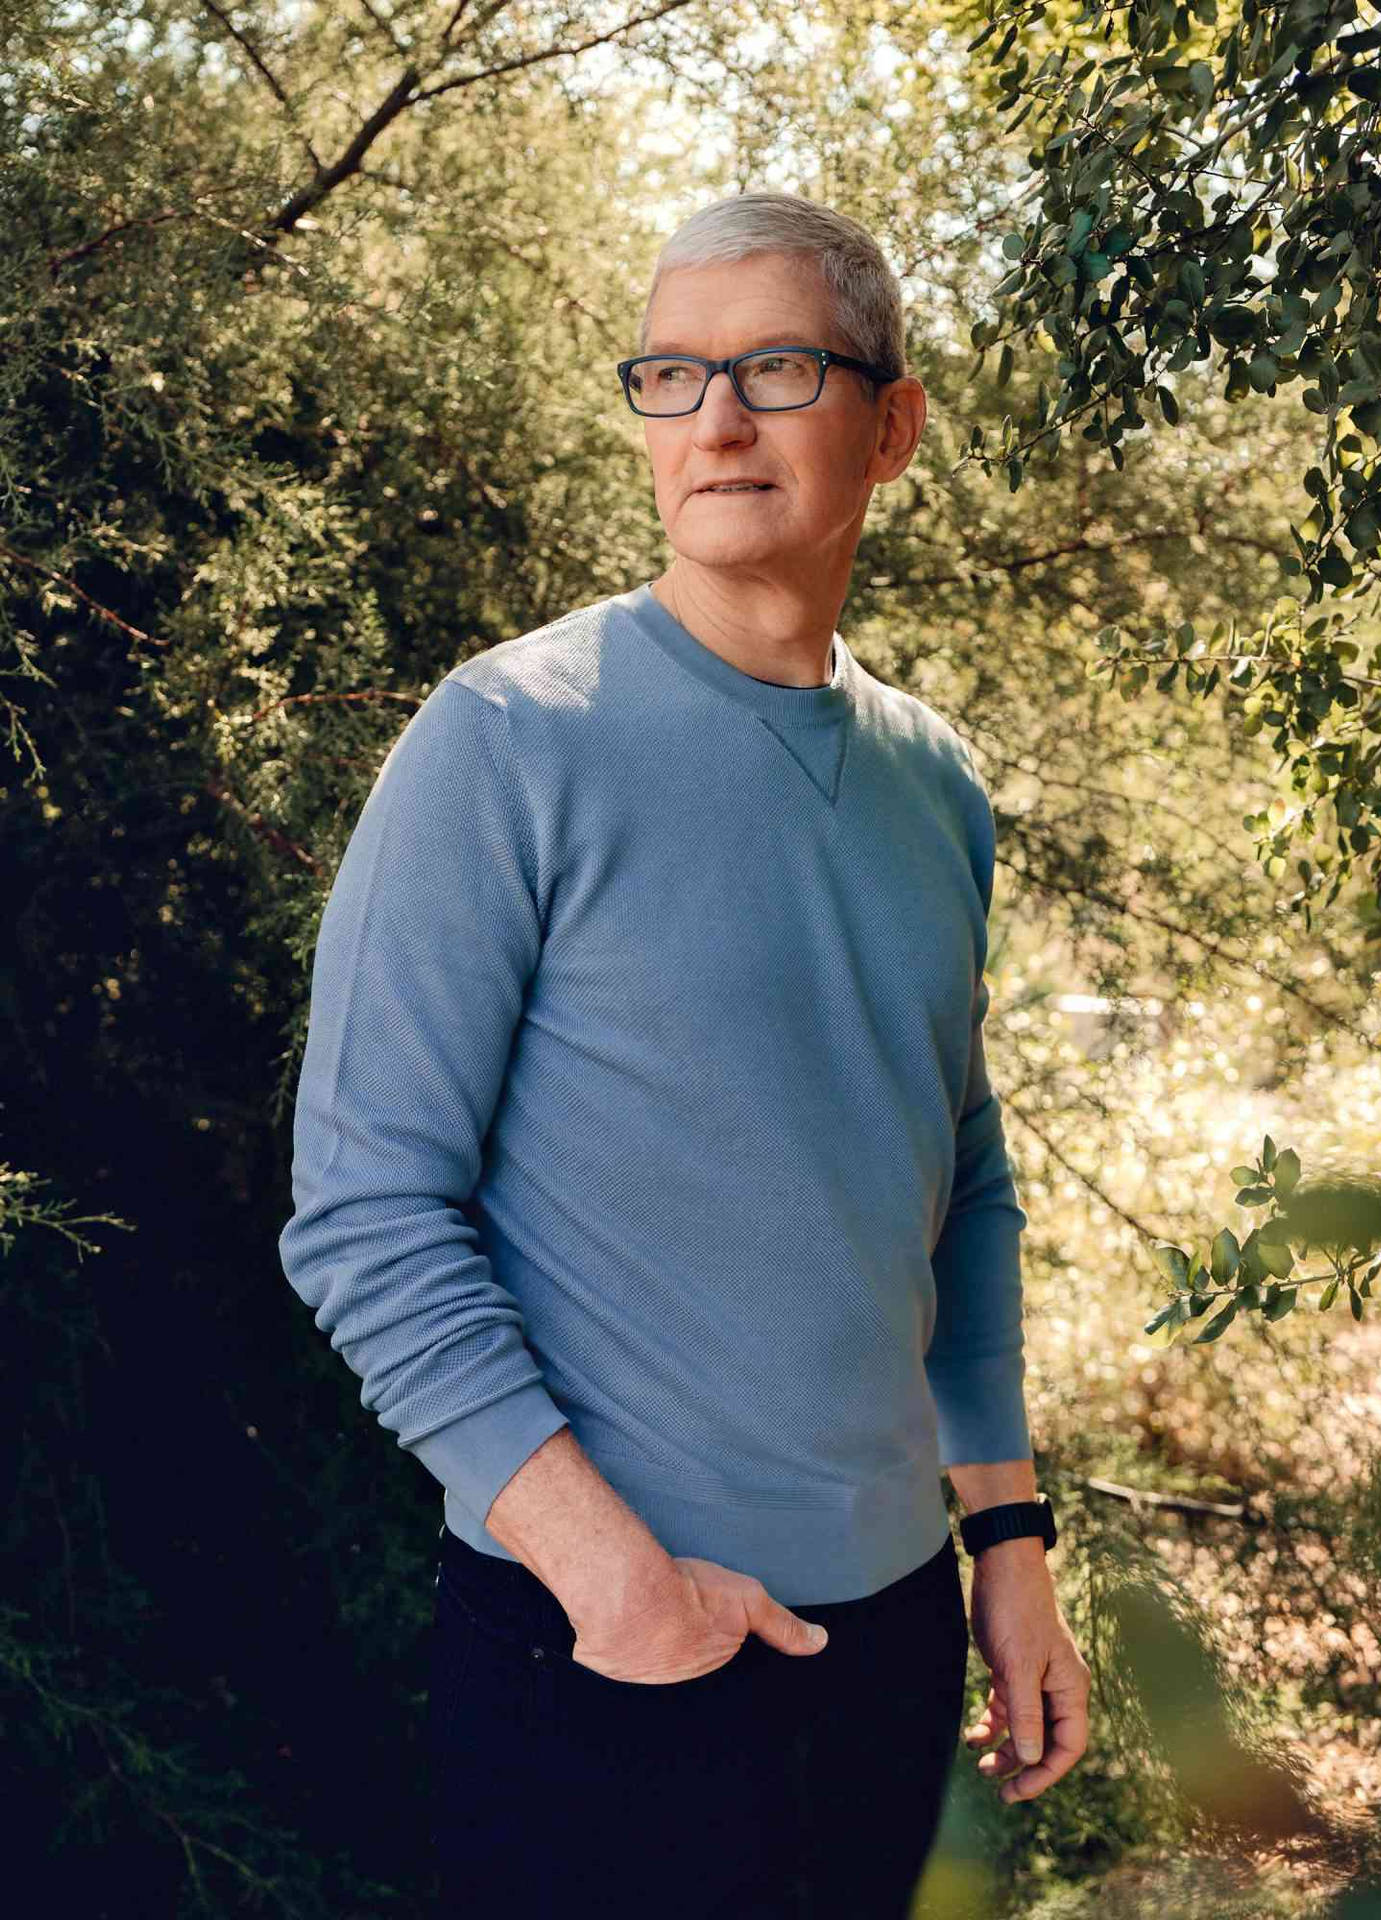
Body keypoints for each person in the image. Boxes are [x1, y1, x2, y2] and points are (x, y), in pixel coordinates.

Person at [278, 190, 1090, 1919]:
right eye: (670, 375)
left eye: (774, 367)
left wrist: (1005, 1545)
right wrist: (616, 1584)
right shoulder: (504, 741)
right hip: (603, 1650)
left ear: (892, 424)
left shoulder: (933, 785)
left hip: (886, 1643)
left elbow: (959, 1188)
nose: (712, 419)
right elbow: (363, 1211)